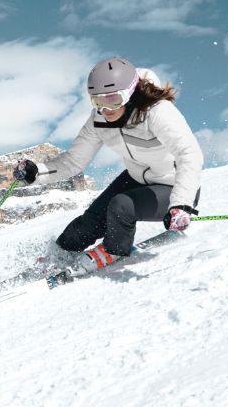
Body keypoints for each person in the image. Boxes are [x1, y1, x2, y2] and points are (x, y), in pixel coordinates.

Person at [14, 57, 203, 275]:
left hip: (174, 186)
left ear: (131, 92)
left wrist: (181, 204)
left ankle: (113, 250)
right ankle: (58, 257)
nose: (106, 109)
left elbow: (190, 154)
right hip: (136, 178)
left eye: (113, 99)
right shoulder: (99, 119)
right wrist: (37, 172)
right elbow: (74, 161)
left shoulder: (157, 112)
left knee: (121, 206)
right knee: (89, 222)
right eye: (98, 101)